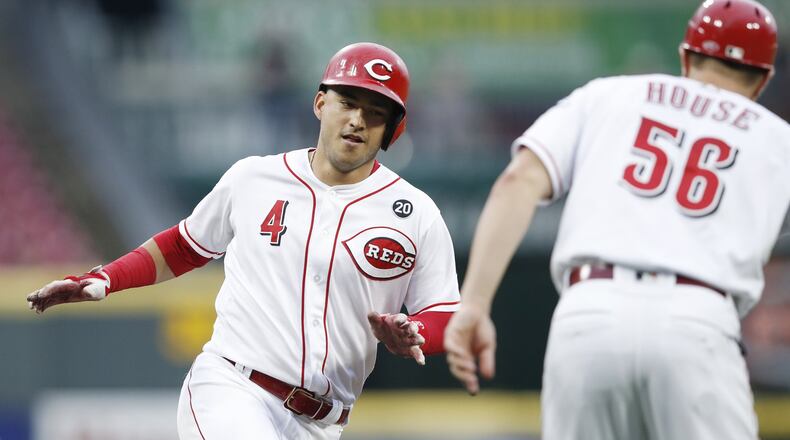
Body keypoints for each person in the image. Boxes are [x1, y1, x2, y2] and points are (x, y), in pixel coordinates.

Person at [27, 42, 460, 440]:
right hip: (234, 387)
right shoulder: (254, 178)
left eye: (376, 112)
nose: (357, 120)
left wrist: (417, 331)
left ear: (393, 131)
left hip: (322, 424)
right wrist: (106, 277)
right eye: (348, 102)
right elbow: (184, 245)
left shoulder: (415, 213)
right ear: (320, 103)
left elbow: (444, 310)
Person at [444, 1, 789, 439]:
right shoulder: (777, 139)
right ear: (763, 80)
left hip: (590, 312)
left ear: (686, 56)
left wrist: (473, 303)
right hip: (698, 320)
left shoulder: (608, 94)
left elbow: (518, 180)